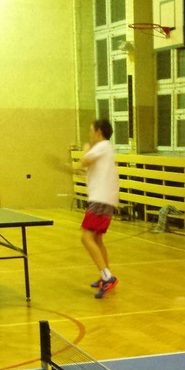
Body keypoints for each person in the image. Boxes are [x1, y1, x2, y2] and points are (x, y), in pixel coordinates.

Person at [74, 119, 120, 298]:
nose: (89, 134)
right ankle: (104, 276)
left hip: (101, 199)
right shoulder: (105, 149)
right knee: (97, 239)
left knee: (86, 237)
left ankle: (108, 278)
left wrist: (85, 150)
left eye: (91, 130)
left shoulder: (101, 146)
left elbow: (84, 160)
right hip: (106, 199)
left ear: (99, 132)